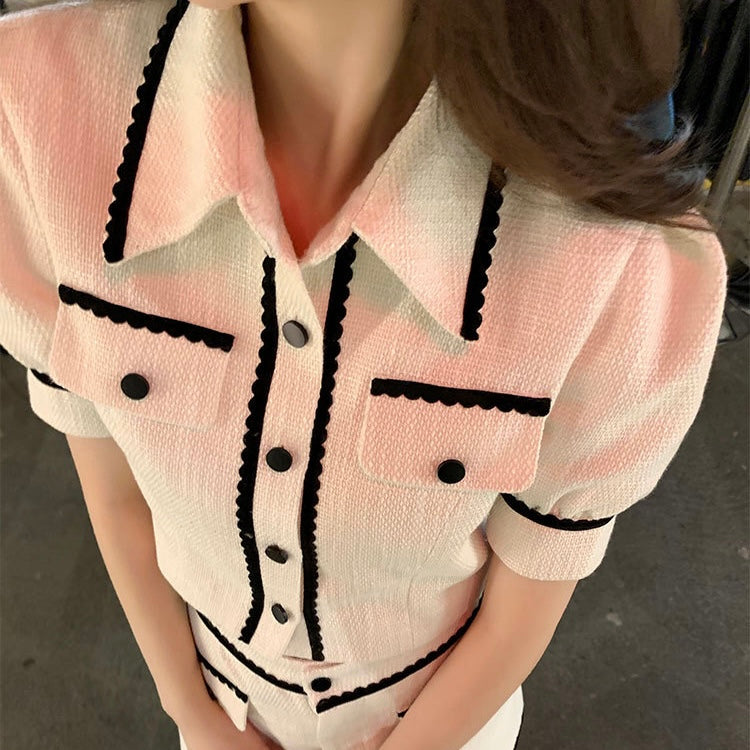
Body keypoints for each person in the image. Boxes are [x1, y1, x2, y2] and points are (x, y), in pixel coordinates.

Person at [0, 1, 728, 749]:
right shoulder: (33, 111)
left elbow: (531, 588)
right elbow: (113, 488)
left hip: (441, 721)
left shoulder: (614, 259)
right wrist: (194, 714)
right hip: (217, 710)